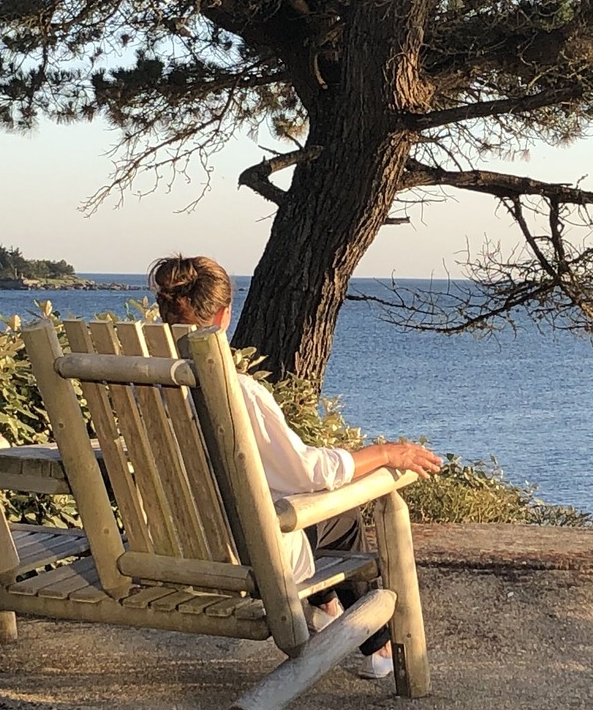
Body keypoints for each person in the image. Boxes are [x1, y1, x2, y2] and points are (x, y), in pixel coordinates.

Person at [149, 254, 442, 679]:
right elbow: (307, 473)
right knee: (340, 511)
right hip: (246, 554)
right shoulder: (238, 394)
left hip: (174, 543)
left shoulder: (142, 384)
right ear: (224, 314)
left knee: (294, 499)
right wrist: (384, 454)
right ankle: (377, 647)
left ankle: (325, 607)